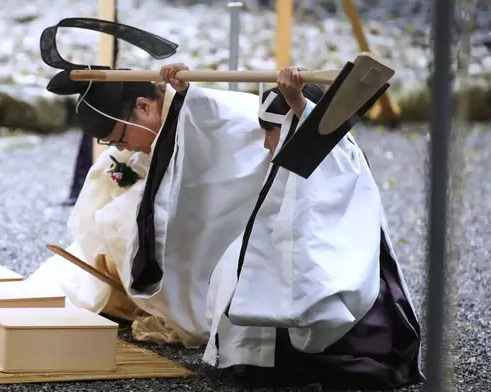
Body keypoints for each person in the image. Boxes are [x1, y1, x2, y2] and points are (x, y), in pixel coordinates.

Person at [202, 68, 424, 389]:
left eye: (270, 131)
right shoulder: (305, 151)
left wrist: (296, 101)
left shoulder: (336, 151)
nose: (266, 144)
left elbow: (316, 136)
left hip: (338, 270)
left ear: (293, 124)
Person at [29, 63, 271, 347]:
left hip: (239, 200)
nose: (121, 147)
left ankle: (167, 301)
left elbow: (205, 182)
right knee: (108, 173)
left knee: (127, 214)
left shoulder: (199, 114)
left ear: (144, 106)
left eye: (121, 138)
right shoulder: (158, 120)